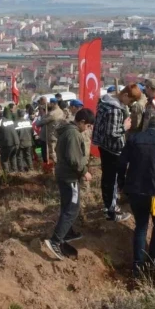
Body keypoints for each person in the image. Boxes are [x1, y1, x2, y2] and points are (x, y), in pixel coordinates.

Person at [120, 116, 155, 277]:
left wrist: (122, 183)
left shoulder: (134, 138)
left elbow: (122, 162)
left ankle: (137, 265)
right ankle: (153, 259)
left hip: (136, 192)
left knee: (141, 225)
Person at [44, 108, 96, 261]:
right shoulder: (73, 134)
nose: (88, 129)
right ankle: (55, 241)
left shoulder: (69, 131)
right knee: (72, 208)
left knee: (68, 205)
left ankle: (68, 231)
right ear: (81, 122)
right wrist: (84, 171)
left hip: (64, 174)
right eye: (87, 126)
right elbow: (74, 159)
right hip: (69, 177)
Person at [92, 84, 142, 222]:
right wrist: (124, 127)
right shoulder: (114, 109)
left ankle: (109, 205)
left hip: (104, 146)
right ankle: (111, 212)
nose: (130, 104)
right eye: (131, 101)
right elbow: (112, 133)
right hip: (112, 149)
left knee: (107, 178)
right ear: (125, 95)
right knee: (111, 180)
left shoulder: (105, 101)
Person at [35, 100, 65, 166]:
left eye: (51, 103)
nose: (50, 105)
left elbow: (42, 122)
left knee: (52, 152)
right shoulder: (61, 111)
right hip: (59, 135)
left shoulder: (52, 113)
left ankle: (55, 167)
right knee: (58, 151)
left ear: (53, 103)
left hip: (52, 135)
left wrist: (38, 123)